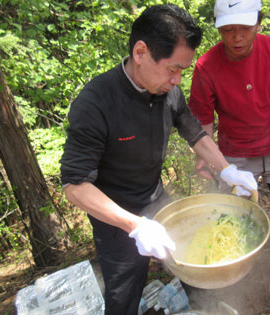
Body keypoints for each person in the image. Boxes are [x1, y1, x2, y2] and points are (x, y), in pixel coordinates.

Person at [60, 4, 258, 315]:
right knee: (124, 291)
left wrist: (227, 169)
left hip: (156, 198)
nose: (177, 80)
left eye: (183, 70)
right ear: (140, 52)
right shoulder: (96, 103)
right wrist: (135, 225)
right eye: (172, 69)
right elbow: (74, 185)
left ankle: (204, 307)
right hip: (115, 216)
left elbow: (194, 133)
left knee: (193, 262)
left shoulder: (168, 92)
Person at [188, 0, 270, 304]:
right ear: (218, 29)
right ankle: (235, 273)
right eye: (228, 30)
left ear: (258, 23)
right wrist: (206, 158)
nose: (236, 38)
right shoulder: (207, 66)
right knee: (236, 212)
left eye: (244, 28)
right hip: (234, 154)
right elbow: (204, 119)